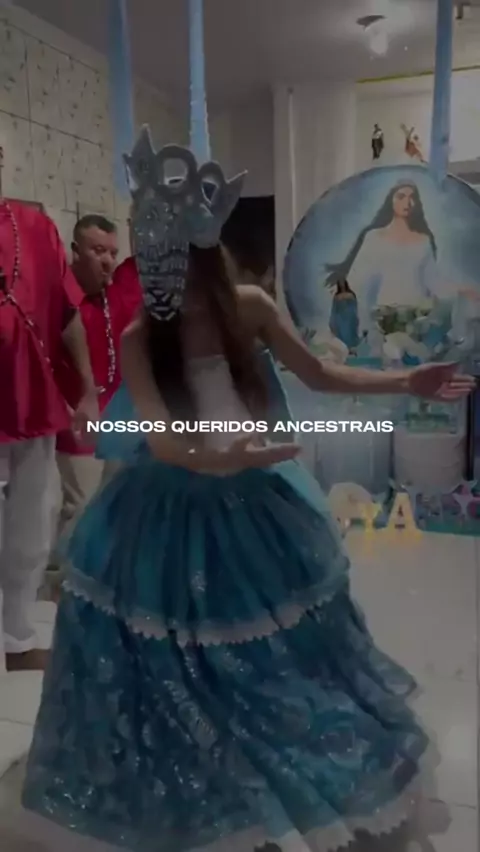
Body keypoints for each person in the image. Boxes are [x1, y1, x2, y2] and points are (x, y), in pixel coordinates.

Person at [21, 164, 474, 849]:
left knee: (277, 655)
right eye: (153, 256)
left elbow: (319, 372)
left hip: (254, 502)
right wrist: (224, 458)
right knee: (172, 658)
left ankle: (279, 778)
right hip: (166, 503)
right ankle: (207, 794)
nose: (163, 271)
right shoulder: (144, 335)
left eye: (175, 255)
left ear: (206, 254)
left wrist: (409, 379)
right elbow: (162, 438)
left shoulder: (250, 307)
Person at [0, 200, 98, 673]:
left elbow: (67, 312)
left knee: (34, 524)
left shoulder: (36, 226)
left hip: (31, 397)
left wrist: (88, 391)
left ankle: (17, 640)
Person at [54, 216, 142, 550]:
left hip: (119, 421)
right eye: (98, 251)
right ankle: (59, 574)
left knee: (118, 507)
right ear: (76, 251)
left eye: (112, 253)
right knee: (80, 509)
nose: (108, 261)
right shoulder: (58, 299)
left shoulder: (118, 291)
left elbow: (143, 259)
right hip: (78, 425)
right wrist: (66, 412)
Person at [325, 182, 452, 337]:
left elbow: (434, 282)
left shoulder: (424, 240)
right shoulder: (374, 237)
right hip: (383, 318)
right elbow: (359, 281)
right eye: (401, 197)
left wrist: (460, 293)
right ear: (390, 201)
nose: (407, 202)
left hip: (418, 319)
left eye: (412, 197)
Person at [328, 278, 359, 351]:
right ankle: (343, 349)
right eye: (340, 283)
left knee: (350, 334)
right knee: (341, 334)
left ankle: (351, 349)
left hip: (350, 318)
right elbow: (334, 309)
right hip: (340, 319)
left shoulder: (351, 294)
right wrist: (332, 321)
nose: (341, 285)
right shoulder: (337, 296)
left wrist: (356, 316)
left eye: (342, 282)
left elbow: (355, 306)